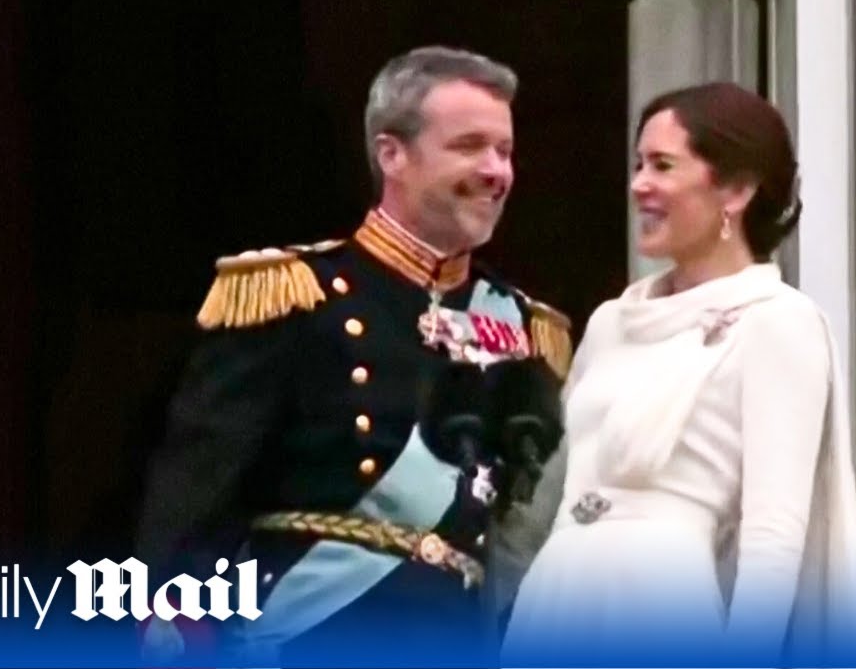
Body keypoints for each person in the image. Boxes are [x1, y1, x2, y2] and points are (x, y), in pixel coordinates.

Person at [134, 45, 570, 667]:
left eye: (504, 151)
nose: (497, 170)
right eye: (470, 146)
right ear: (392, 153)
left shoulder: (526, 329)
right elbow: (195, 491)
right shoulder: (296, 295)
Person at [501, 82, 856, 666]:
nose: (639, 186)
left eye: (663, 165)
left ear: (735, 189)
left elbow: (772, 537)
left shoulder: (779, 324)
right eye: (637, 165)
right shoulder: (611, 321)